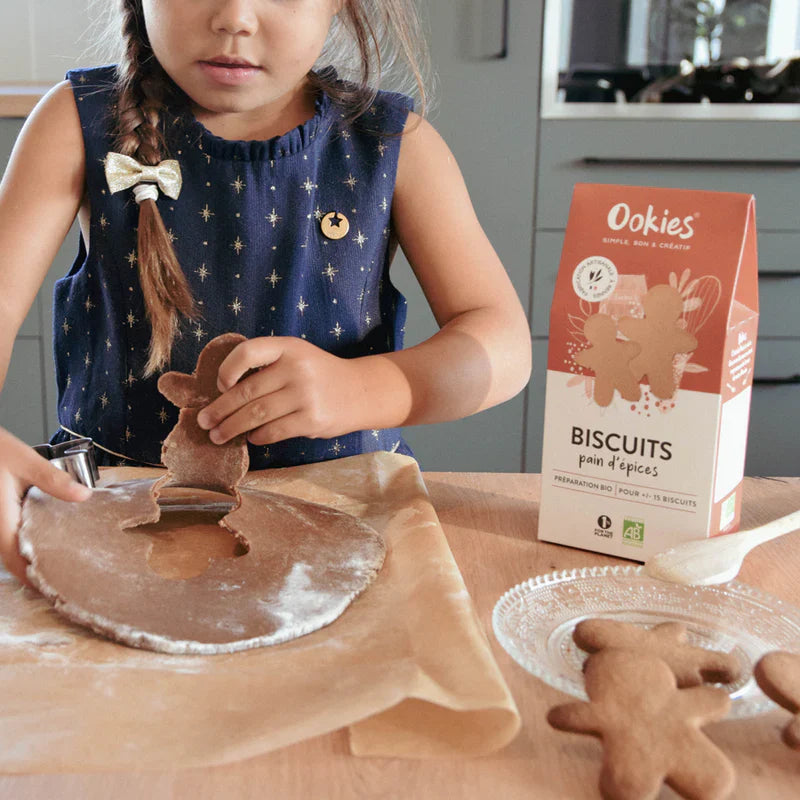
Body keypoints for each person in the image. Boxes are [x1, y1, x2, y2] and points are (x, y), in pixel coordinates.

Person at [0, 0, 531, 583]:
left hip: (344, 526)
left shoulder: (393, 142)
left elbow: (503, 345)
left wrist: (364, 388)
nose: (235, 18)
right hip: (116, 524)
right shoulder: (76, 123)